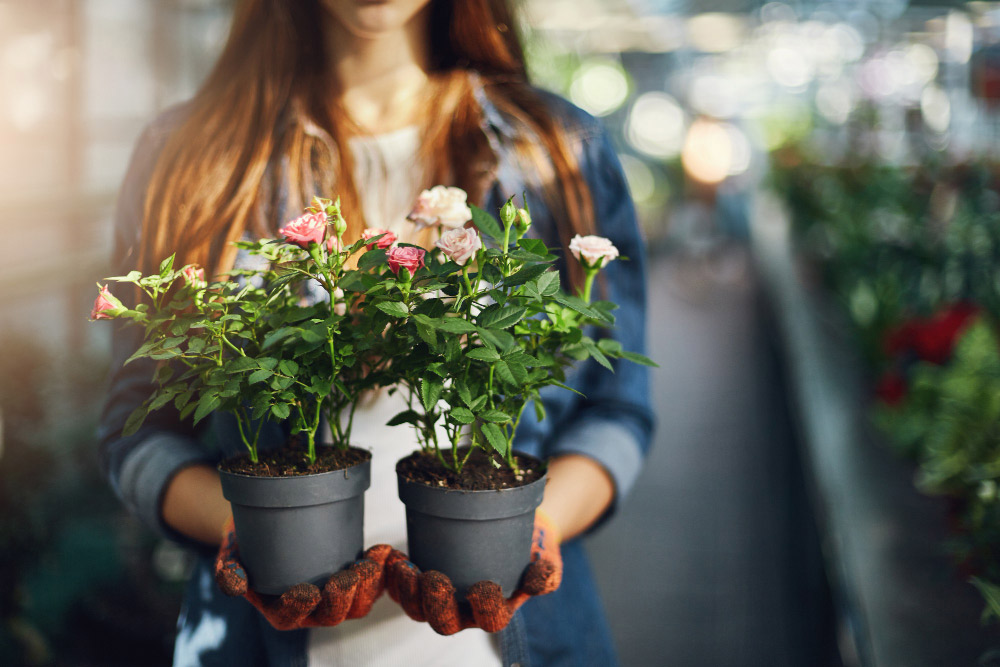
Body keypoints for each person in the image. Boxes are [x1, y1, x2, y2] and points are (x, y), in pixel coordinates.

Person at [98, 1, 653, 665]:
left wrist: (539, 527)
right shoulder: (191, 155)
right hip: (253, 646)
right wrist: (246, 530)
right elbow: (136, 427)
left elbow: (617, 411)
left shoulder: (558, 150)